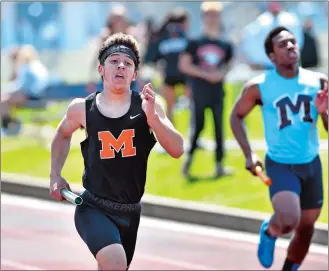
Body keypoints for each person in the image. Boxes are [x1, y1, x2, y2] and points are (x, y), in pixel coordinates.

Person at [49, 33, 184, 270]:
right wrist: (55, 175)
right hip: (93, 207)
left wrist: (154, 119)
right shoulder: (82, 108)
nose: (121, 65)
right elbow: (62, 134)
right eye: (114, 61)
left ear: (134, 74)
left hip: (131, 211)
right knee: (114, 261)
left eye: (127, 63)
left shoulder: (148, 106)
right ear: (101, 69)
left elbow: (177, 149)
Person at [230, 26, 327, 271]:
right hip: (281, 164)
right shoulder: (259, 86)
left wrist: (324, 111)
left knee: (306, 229)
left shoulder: (318, 81)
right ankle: (270, 230)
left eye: (293, 42)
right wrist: (249, 153)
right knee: (288, 221)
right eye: (283, 44)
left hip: (311, 163)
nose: (291, 46)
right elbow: (236, 116)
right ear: (272, 56)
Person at [179, 1, 234, 178]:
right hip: (200, 90)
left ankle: (219, 164)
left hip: (217, 90)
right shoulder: (195, 41)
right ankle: (188, 161)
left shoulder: (225, 43)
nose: (212, 19)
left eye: (215, 15)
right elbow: (184, 65)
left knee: (219, 127)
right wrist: (205, 74)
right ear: (203, 17)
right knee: (199, 126)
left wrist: (221, 73)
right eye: (209, 15)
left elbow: (229, 65)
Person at [144, 7, 190, 123]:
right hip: (176, 75)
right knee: (173, 106)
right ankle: (173, 130)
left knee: (175, 106)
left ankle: (179, 130)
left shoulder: (164, 37)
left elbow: (152, 57)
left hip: (175, 74)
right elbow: (152, 57)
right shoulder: (177, 37)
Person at [241, 1, 304, 70]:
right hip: (269, 61)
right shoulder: (262, 21)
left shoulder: (290, 19)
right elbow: (253, 37)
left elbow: (297, 38)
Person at [1, 44, 49, 132]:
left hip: (32, 97)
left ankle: (7, 127)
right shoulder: (37, 66)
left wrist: (7, 90)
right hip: (38, 96)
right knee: (5, 99)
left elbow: (21, 86)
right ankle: (12, 126)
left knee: (3, 101)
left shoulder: (28, 68)